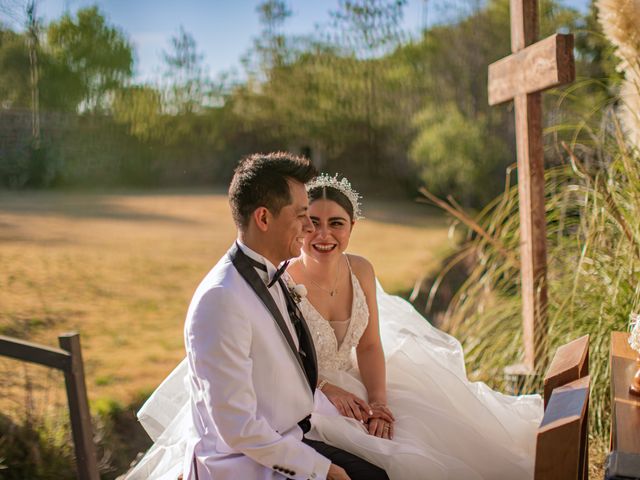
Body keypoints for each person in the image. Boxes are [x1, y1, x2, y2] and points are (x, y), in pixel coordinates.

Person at [124, 154, 389, 480]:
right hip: (242, 465)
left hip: (287, 438)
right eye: (302, 216)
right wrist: (322, 469)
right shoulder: (221, 299)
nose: (309, 228)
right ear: (263, 218)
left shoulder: (274, 277)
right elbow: (238, 428)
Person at [285, 174, 544, 479]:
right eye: (312, 222)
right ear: (299, 224)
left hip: (360, 379)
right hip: (308, 393)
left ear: (352, 226)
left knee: (441, 432)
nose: (323, 234)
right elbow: (278, 362)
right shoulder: (284, 281)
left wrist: (379, 402)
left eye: (336, 223)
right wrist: (327, 388)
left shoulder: (361, 270)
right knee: (406, 458)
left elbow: (368, 346)